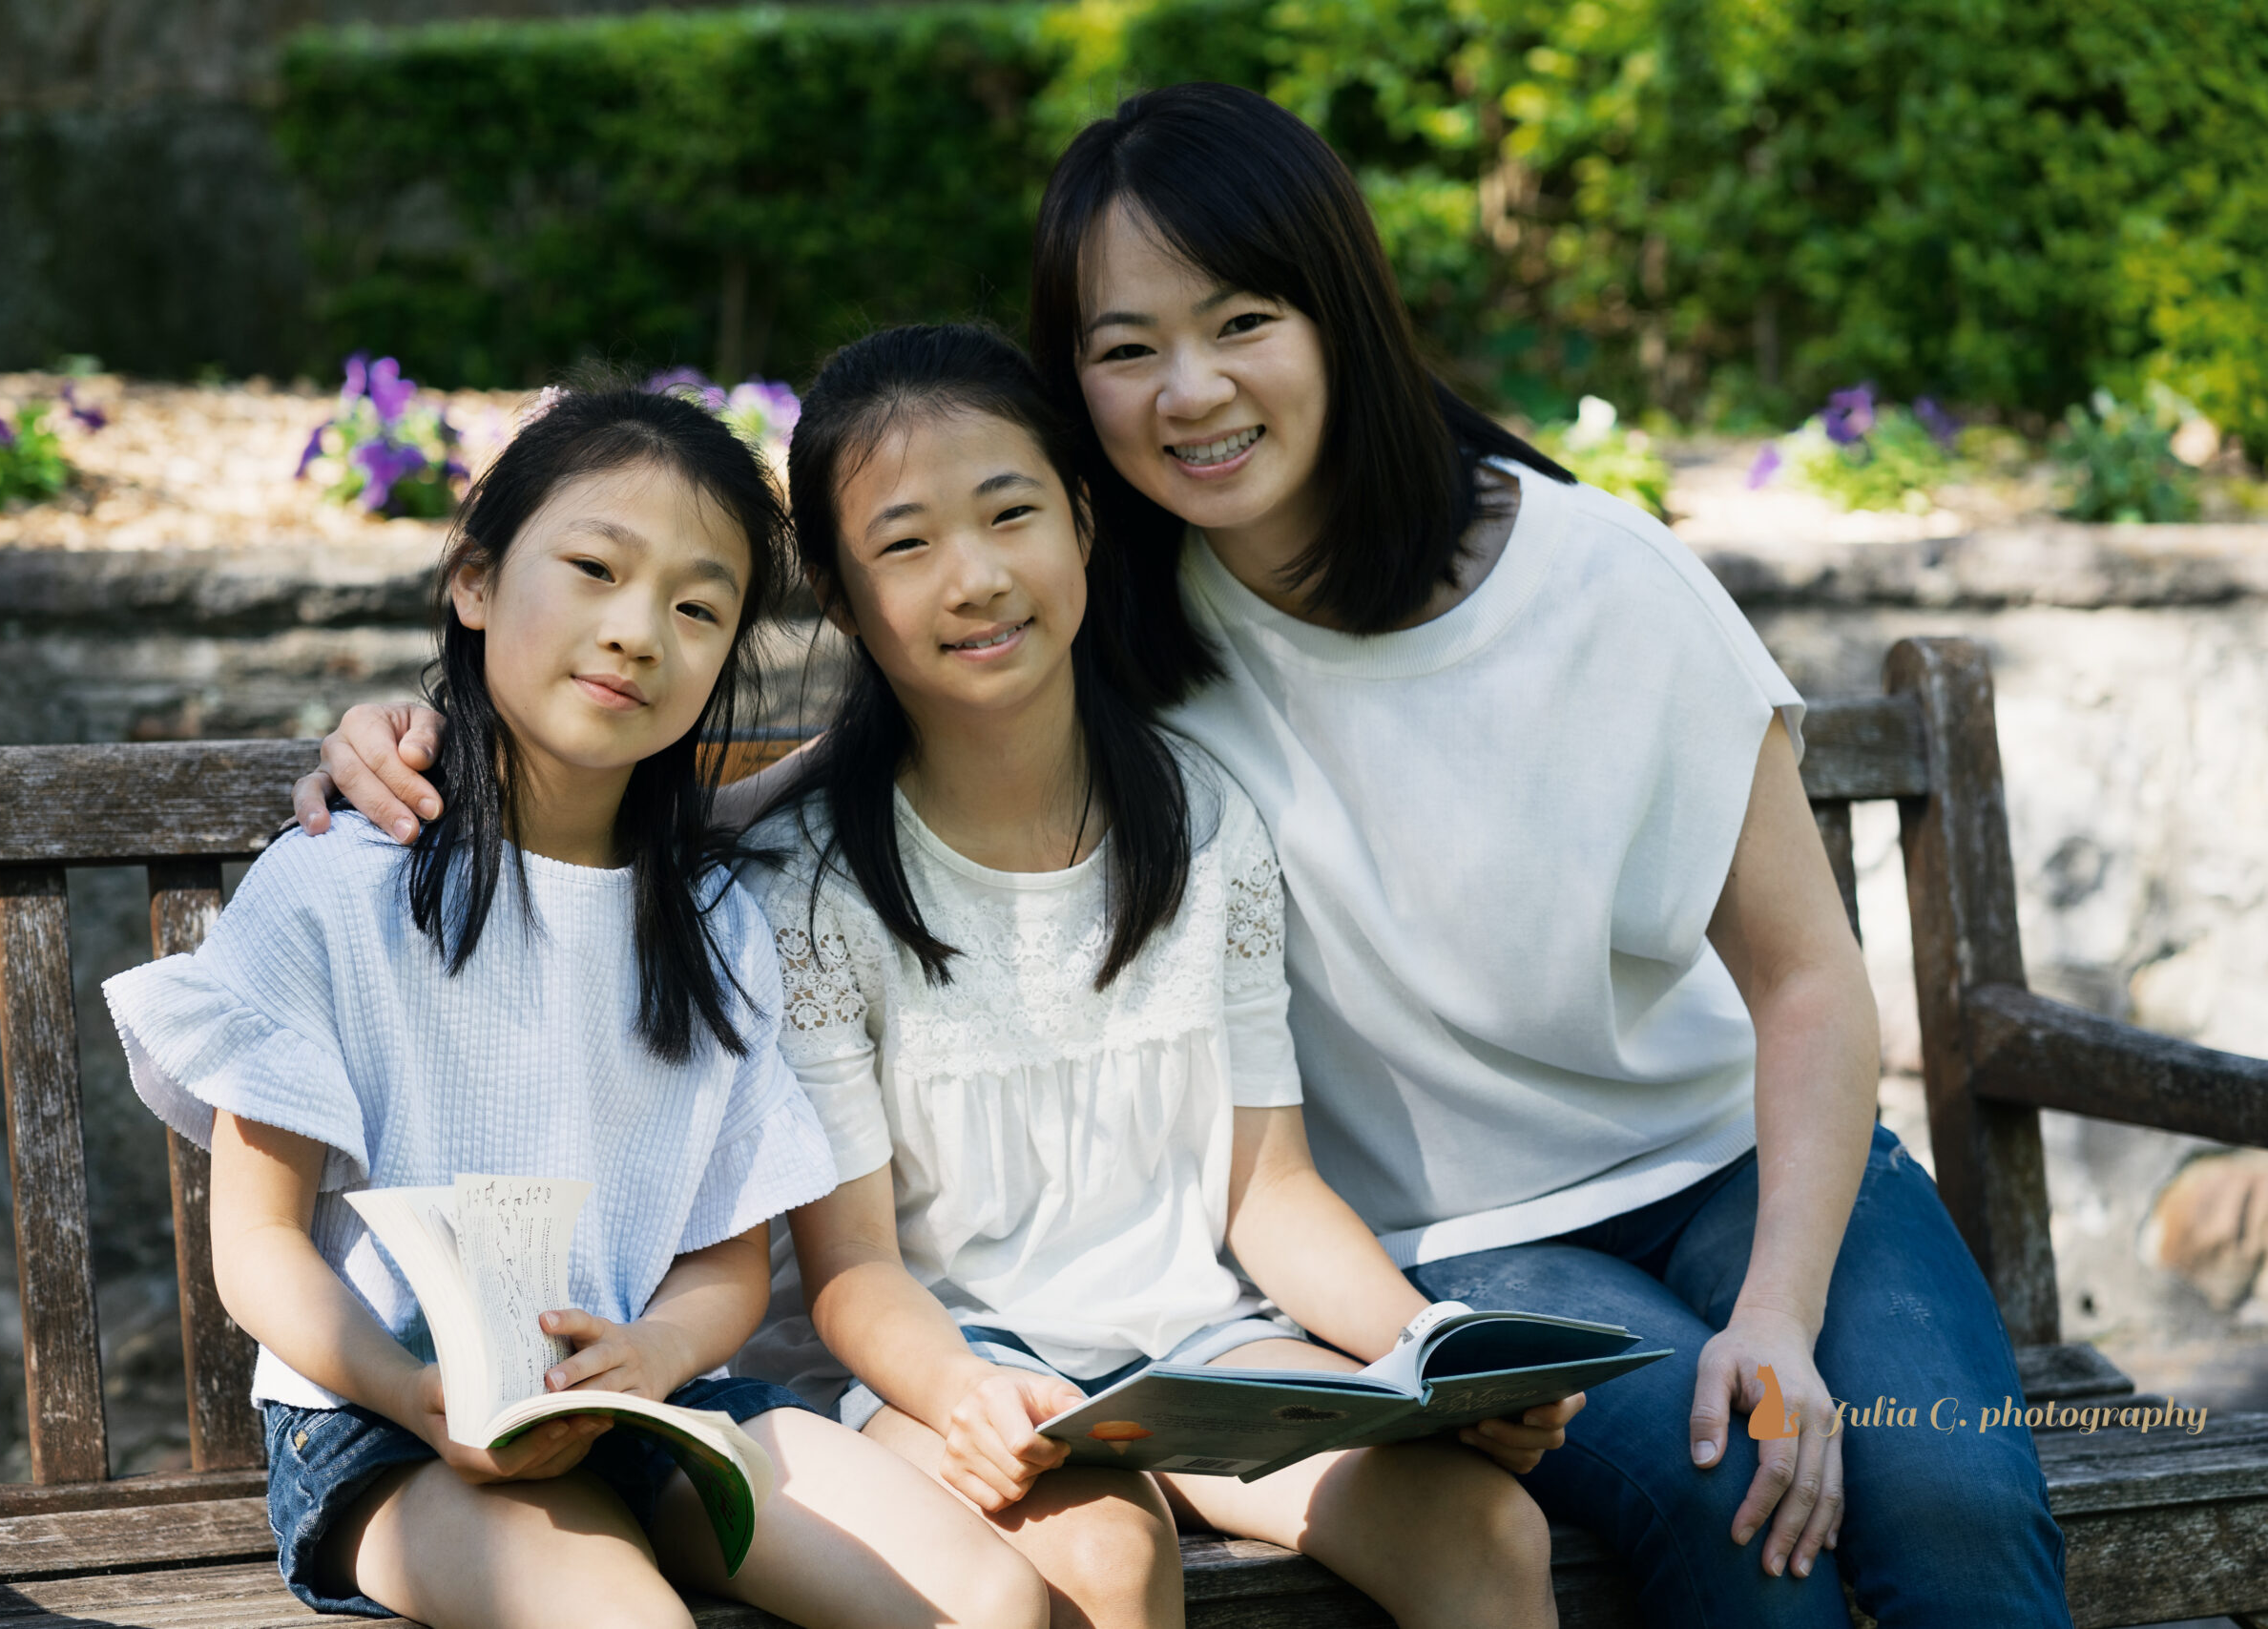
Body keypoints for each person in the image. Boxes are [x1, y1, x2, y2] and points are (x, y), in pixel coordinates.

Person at [294, 85, 2073, 1629]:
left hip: (1738, 1167)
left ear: (1340, 314)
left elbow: (1808, 982)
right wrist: (453, 750)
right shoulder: (1132, 607)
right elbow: (856, 763)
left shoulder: (1598, 583)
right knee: (1722, 1475)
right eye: (1127, 348)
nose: (1190, 392)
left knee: (1951, 1494)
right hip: (1473, 1239)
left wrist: (1773, 1312)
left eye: (1241, 322)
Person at [110, 382, 1046, 1629]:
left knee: (991, 1602)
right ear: (476, 583)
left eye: (697, 606)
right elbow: (260, 1247)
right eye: (595, 568)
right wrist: (409, 1388)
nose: (637, 630)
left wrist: (651, 1358)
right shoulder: (339, 889)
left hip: (647, 1406)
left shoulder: (716, 927)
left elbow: (722, 1264)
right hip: (385, 1433)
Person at [739, 323, 1568, 1629]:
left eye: (1010, 514)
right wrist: (961, 1394)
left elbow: (1269, 1190)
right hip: (954, 1370)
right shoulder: (810, 885)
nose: (975, 578)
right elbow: (851, 1270)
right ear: (840, 598)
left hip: (1201, 1354)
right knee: (1110, 1555)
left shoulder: (1201, 818)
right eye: (905, 545)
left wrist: (1424, 1352)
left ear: (1081, 520)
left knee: (1487, 1531)